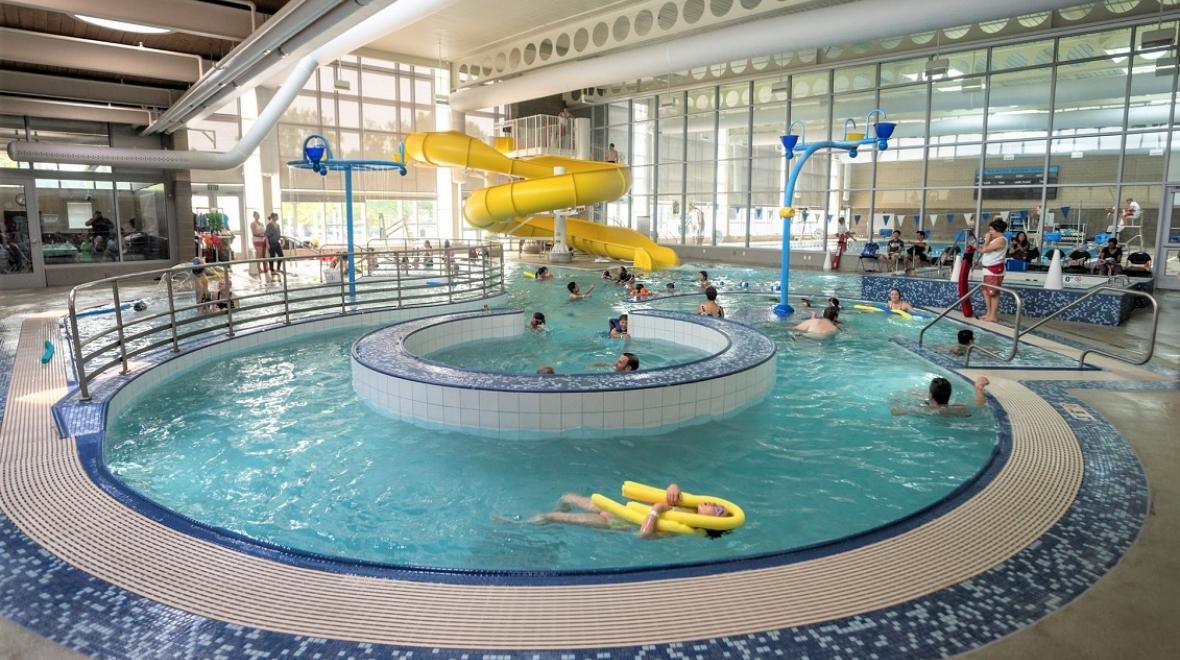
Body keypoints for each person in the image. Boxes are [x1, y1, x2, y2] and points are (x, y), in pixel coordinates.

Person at [522, 484, 730, 539]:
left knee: (553, 517)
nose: (715, 504)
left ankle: (516, 524)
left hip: (616, 523)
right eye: (719, 505)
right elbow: (670, 489)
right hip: (617, 509)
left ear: (710, 523)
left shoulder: (680, 528)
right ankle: (550, 521)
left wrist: (656, 511)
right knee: (567, 496)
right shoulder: (690, 505)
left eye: (718, 510)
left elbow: (643, 535)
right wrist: (673, 488)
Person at [892, 376, 990, 417]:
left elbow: (896, 412)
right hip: (946, 406)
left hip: (930, 406)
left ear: (930, 395)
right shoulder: (960, 409)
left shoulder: (919, 409)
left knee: (916, 394)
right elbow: (979, 405)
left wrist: (894, 401)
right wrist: (978, 388)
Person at [979, 219, 1009, 323]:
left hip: (994, 271)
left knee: (993, 293)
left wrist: (987, 240)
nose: (989, 232)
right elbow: (986, 251)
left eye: (991, 230)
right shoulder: (995, 240)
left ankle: (993, 316)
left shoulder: (1001, 240)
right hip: (988, 270)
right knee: (986, 293)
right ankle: (989, 313)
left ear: (997, 230)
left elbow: (985, 249)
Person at [264, 213, 284, 279]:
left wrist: (281, 240)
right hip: (271, 242)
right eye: (276, 216)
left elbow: (279, 235)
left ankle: (278, 268)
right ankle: (272, 270)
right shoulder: (269, 225)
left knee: (281, 255)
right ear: (273, 217)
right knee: (272, 256)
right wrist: (267, 243)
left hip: (276, 242)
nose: (277, 217)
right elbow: (266, 235)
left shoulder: (278, 225)